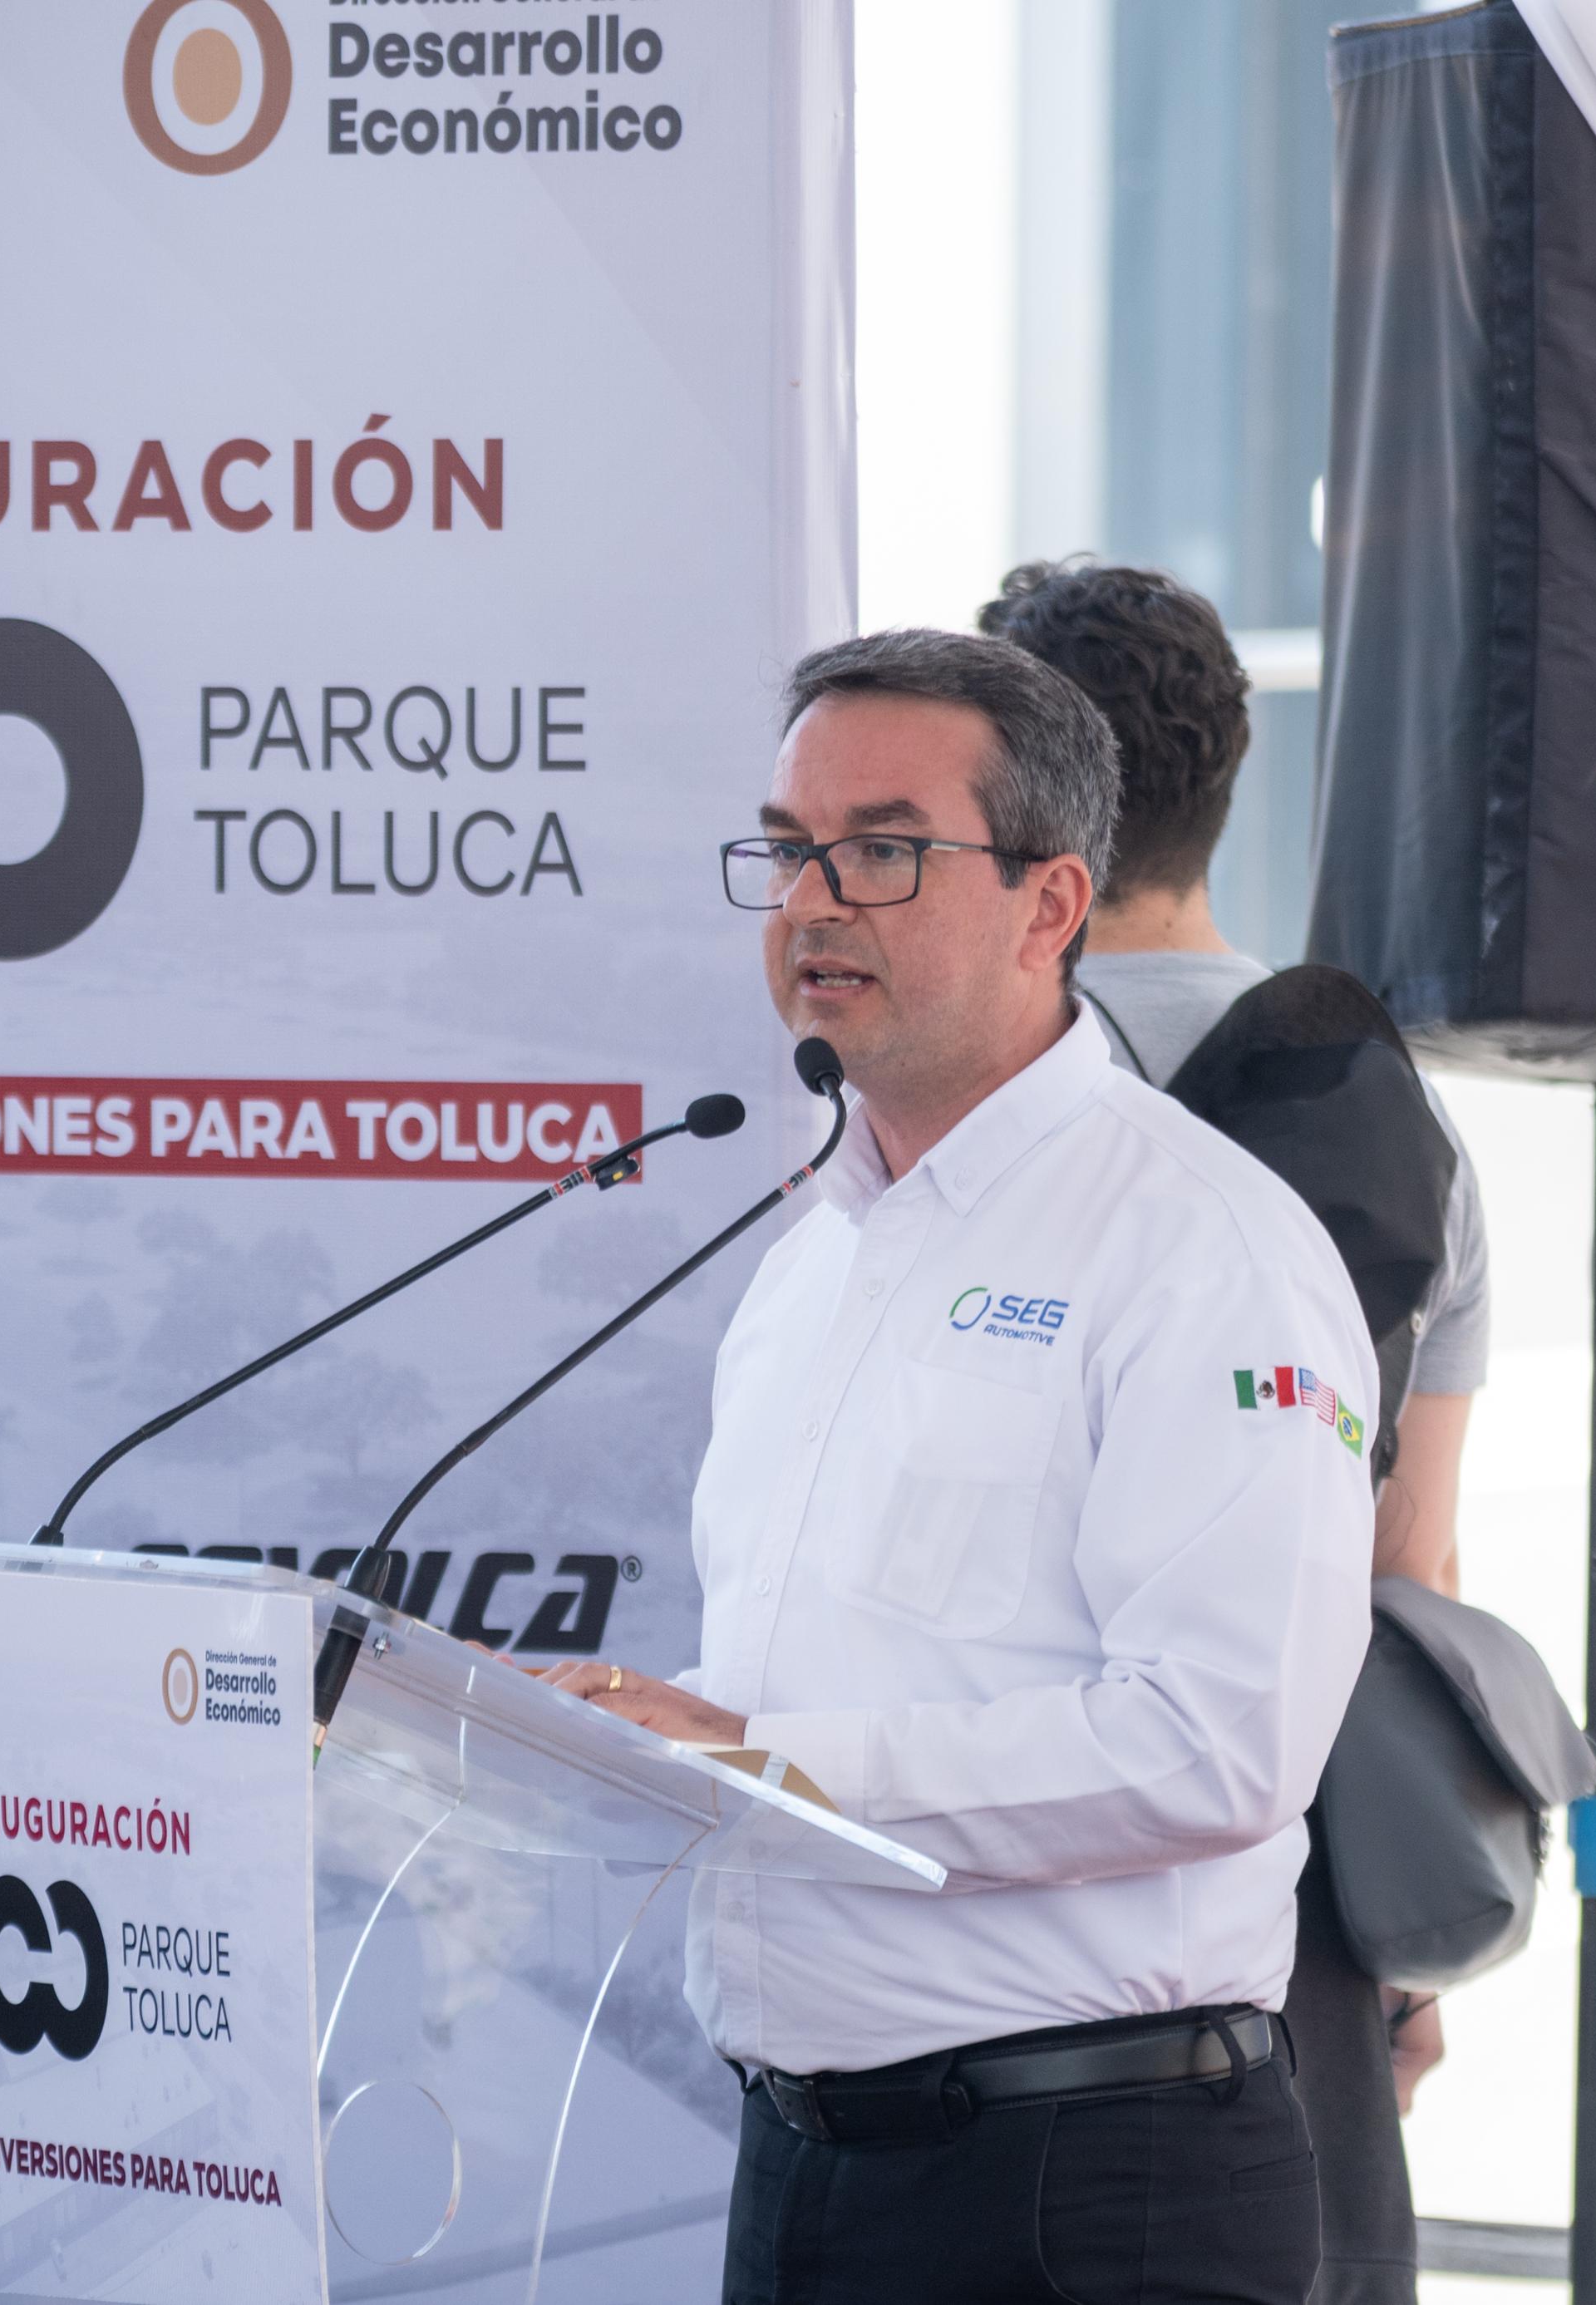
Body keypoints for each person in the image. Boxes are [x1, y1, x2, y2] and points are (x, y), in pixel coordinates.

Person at [538, 628, 1377, 2305]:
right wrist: (630, 1747)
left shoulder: (1203, 1244)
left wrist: (765, 1760)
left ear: (1050, 904)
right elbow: (834, 1687)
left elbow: (1221, 1741)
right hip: (800, 2162)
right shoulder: (810, 1264)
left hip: (1088, 2185)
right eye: (787, 848)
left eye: (882, 850)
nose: (811, 901)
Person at [983, 559, 1493, 2305]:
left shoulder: (965, 1094)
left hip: (1003, 1892)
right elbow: (1406, 1565)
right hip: (1297, 1906)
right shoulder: (1396, 1113)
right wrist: (1395, 1936)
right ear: (1229, 778)